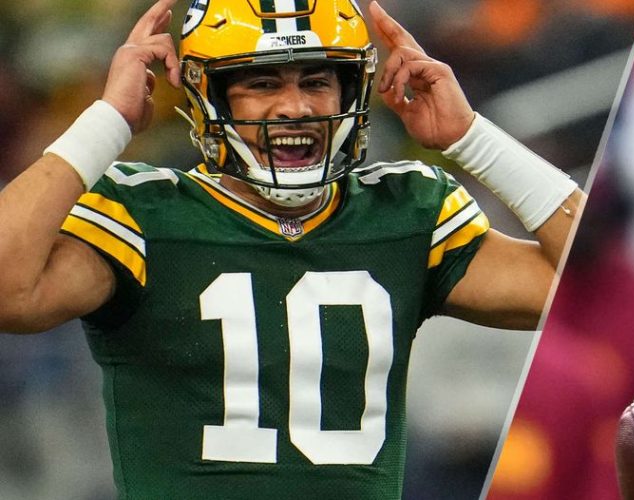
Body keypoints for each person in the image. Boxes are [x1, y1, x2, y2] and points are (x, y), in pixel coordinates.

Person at [0, 0, 581, 497]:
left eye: (316, 80)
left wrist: (471, 138)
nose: (295, 107)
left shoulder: (405, 210)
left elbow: (580, 289)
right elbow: (9, 290)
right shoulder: (145, 212)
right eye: (262, 82)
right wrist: (108, 121)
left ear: (351, 87)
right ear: (210, 93)